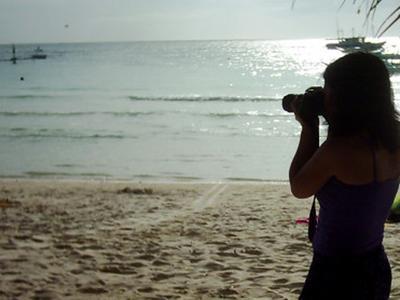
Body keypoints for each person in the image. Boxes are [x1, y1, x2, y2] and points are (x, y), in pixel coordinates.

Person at [289, 52, 400, 299]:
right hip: (375, 264)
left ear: (344, 98)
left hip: (335, 271)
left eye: (328, 93)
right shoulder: (395, 137)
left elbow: (299, 187)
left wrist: (310, 128)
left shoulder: (337, 151)